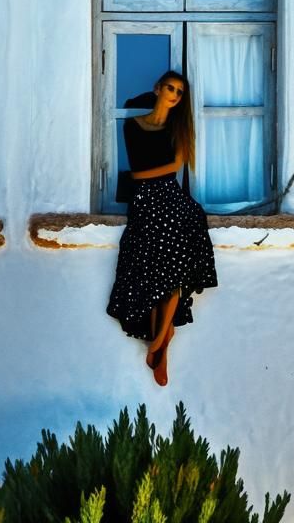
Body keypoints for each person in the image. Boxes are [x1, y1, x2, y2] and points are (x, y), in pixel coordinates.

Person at [106, 70, 218, 386]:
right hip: (144, 200)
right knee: (155, 263)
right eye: (170, 88)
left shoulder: (178, 129)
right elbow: (137, 163)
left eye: (180, 92)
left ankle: (158, 345)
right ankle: (163, 341)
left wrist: (138, 178)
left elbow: (173, 167)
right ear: (157, 89)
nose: (174, 94)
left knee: (177, 257)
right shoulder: (133, 125)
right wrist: (139, 179)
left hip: (169, 194)